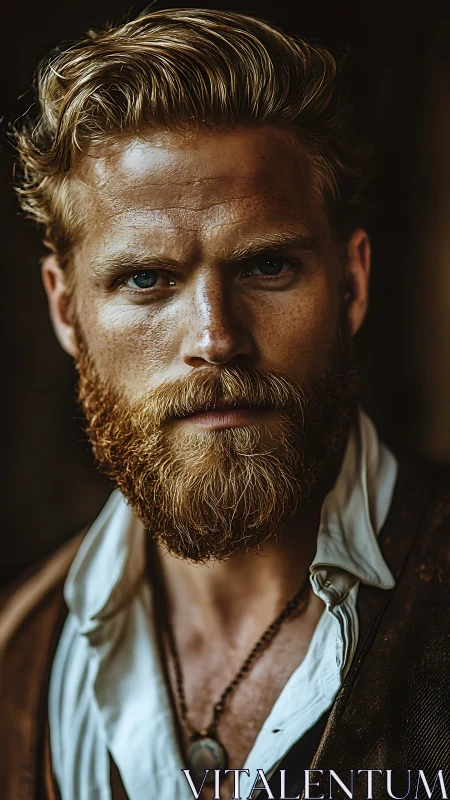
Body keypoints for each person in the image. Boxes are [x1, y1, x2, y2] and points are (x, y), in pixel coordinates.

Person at [1, 7, 448, 800]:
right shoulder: (14, 656)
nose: (216, 338)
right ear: (66, 310)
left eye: (267, 267)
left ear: (352, 282)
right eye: (147, 279)